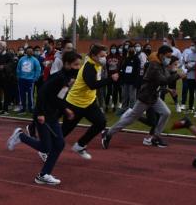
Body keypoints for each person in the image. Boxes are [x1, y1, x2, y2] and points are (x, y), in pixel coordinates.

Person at [7, 51, 81, 185]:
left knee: (59, 144)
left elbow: (57, 97)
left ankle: (44, 174)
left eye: (79, 65)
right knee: (46, 147)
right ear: (67, 64)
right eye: (76, 65)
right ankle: (21, 136)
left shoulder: (67, 79)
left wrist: (66, 110)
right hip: (43, 115)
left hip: (52, 115)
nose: (78, 67)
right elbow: (41, 93)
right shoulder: (58, 77)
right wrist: (40, 113)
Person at [102, 45, 180, 149]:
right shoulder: (154, 66)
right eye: (168, 56)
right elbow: (163, 81)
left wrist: (169, 87)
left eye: (170, 56)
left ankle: (155, 137)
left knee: (166, 112)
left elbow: (162, 81)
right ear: (161, 55)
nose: (169, 59)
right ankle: (108, 134)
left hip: (153, 96)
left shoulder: (161, 65)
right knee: (130, 119)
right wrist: (178, 75)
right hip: (145, 97)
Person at [60, 45, 118, 160]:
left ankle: (80, 145)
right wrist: (111, 79)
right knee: (64, 131)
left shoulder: (98, 65)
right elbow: (92, 85)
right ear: (93, 56)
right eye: (102, 56)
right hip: (74, 104)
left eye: (105, 55)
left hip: (88, 103)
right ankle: (45, 149)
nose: (104, 58)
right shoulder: (89, 67)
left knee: (101, 123)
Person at [117, 43, 141, 114]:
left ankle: (131, 111)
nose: (131, 49)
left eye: (132, 48)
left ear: (134, 50)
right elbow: (122, 69)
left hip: (132, 82)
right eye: (130, 48)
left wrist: (136, 82)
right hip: (125, 81)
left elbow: (138, 71)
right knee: (124, 96)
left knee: (132, 97)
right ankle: (124, 109)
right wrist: (121, 80)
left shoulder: (137, 59)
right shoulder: (126, 59)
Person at [16, 47, 42, 114]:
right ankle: (23, 108)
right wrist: (18, 76)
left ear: (32, 52)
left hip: (30, 80)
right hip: (21, 79)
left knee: (30, 95)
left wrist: (35, 78)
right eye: (28, 51)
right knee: (22, 94)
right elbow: (18, 68)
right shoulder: (22, 59)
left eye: (31, 51)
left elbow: (38, 70)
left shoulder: (35, 60)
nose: (29, 52)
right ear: (26, 52)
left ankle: (31, 108)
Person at [180, 40, 196, 113]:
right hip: (189, 77)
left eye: (193, 45)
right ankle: (190, 108)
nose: (192, 47)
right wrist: (186, 66)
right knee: (191, 93)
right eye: (191, 45)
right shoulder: (189, 54)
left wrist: (191, 68)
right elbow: (186, 64)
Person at [104, 44, 121, 112]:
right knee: (109, 91)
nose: (113, 49)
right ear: (110, 49)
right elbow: (106, 67)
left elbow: (120, 67)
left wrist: (118, 74)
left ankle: (114, 105)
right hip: (109, 76)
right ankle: (106, 105)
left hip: (117, 76)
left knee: (115, 91)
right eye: (112, 48)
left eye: (114, 48)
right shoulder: (107, 57)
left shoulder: (119, 57)